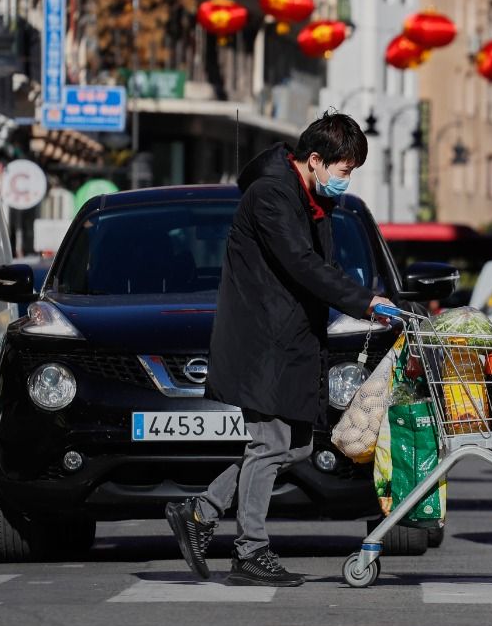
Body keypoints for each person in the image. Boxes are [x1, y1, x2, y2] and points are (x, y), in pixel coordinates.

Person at [167, 113, 396, 587]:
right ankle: (250, 550)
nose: (345, 179)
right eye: (344, 169)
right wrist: (364, 300)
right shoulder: (271, 195)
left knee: (293, 446)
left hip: (291, 338)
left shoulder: (310, 198)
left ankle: (201, 509)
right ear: (315, 160)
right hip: (265, 339)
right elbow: (301, 262)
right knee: (270, 443)